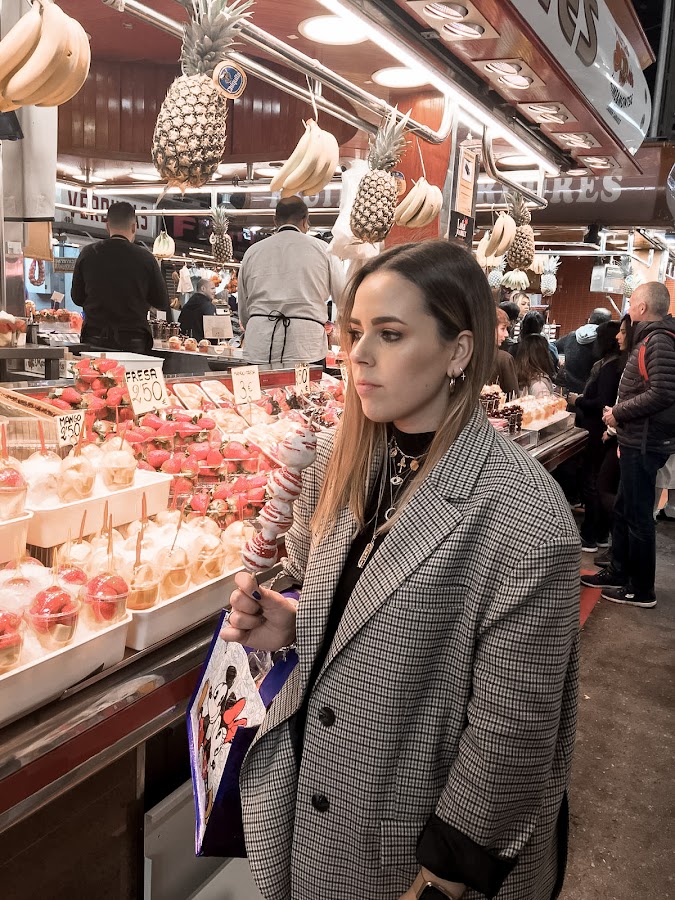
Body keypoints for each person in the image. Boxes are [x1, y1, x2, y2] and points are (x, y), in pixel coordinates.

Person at [222, 240, 580, 900]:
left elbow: (512, 734)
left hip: (407, 843)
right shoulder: (348, 463)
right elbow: (377, 613)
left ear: (458, 352)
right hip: (322, 811)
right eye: (354, 332)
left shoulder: (523, 514)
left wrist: (444, 875)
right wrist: (298, 623)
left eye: (389, 334)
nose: (358, 354)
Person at [582, 282, 675, 607]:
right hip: (635, 437)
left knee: (637, 516)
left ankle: (641, 589)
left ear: (643, 307)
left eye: (633, 300)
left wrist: (619, 413)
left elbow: (663, 392)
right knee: (624, 509)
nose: (629, 306)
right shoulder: (649, 338)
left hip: (646, 441)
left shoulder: (658, 341)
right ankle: (619, 572)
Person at [237, 196, 345, 366]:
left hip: (260, 342)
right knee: (309, 392)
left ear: (275, 220)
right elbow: (343, 299)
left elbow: (243, 308)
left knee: (260, 392)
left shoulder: (252, 252)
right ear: (305, 221)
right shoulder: (324, 250)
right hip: (305, 344)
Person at [72, 201, 170, 353]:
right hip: (133, 340)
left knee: (96, 376)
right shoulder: (146, 258)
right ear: (134, 227)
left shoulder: (88, 253)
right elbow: (162, 301)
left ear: (107, 226)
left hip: (95, 337)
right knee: (128, 375)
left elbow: (77, 298)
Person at [568, 320, 624, 552]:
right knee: (600, 482)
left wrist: (578, 400)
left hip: (597, 431)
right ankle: (600, 534)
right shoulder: (614, 365)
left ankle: (590, 534)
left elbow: (602, 403)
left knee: (592, 482)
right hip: (599, 430)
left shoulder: (609, 368)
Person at [556, 308, 611, 393]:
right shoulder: (607, 342)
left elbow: (552, 346)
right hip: (590, 392)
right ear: (608, 324)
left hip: (568, 389)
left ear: (589, 320)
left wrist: (557, 360)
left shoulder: (572, 336)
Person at [491, 307, 519, 395]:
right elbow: (513, 398)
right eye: (503, 329)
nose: (506, 334)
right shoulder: (504, 359)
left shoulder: (466, 355)